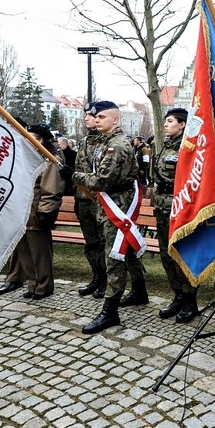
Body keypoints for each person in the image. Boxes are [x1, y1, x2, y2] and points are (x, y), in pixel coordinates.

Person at [72, 100, 146, 335]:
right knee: (128, 250)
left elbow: (102, 180)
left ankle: (110, 311)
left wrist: (73, 175)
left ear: (115, 120)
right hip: (111, 205)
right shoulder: (106, 143)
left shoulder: (117, 145)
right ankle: (140, 291)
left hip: (119, 206)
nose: (96, 120)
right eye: (95, 117)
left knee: (114, 258)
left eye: (102, 117)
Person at [151, 107, 199, 323]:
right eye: (166, 121)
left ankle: (190, 300)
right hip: (162, 208)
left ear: (182, 125)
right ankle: (177, 296)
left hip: (179, 208)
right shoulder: (164, 147)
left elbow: (189, 179)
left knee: (181, 254)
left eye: (171, 121)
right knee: (166, 254)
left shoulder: (187, 148)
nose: (166, 124)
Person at [14, 124, 65, 300]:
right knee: (25, 252)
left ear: (40, 140)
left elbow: (51, 189)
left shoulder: (48, 160)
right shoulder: (26, 157)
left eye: (31, 137)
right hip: (21, 213)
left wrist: (45, 212)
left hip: (37, 213)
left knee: (40, 254)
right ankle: (32, 283)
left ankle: (44, 286)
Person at [73, 103, 109, 298]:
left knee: (104, 242)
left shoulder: (108, 142)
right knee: (91, 242)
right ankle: (97, 276)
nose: (87, 118)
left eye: (90, 115)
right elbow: (78, 170)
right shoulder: (84, 142)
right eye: (85, 115)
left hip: (101, 201)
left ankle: (107, 280)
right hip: (83, 199)